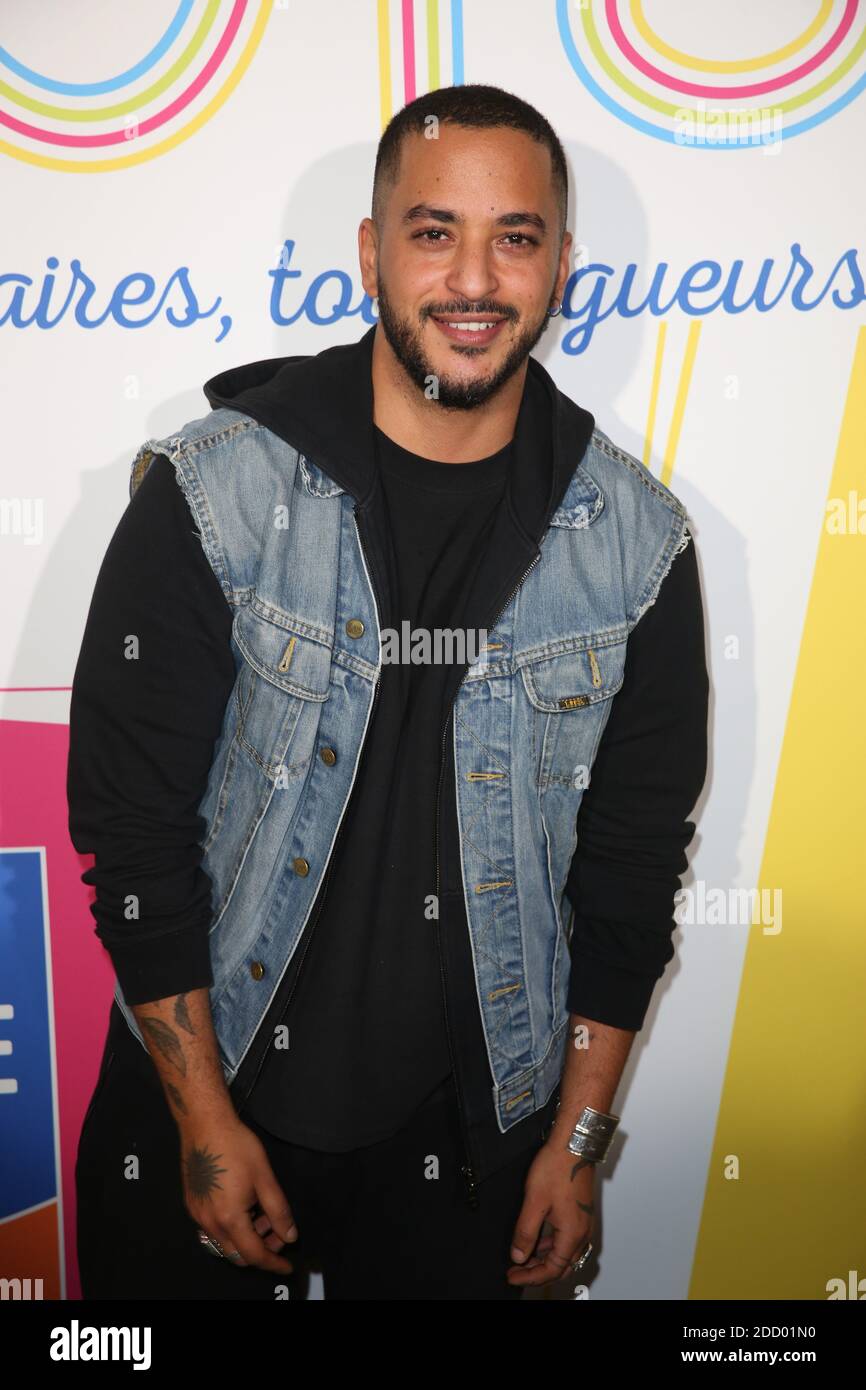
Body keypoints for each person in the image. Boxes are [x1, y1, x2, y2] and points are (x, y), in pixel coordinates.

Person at [68, 83, 709, 1301]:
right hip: (205, 1090)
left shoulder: (635, 547)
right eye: (432, 232)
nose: (473, 278)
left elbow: (629, 879)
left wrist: (575, 1146)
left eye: (512, 237)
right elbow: (133, 838)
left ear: (560, 264)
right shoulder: (213, 497)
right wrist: (203, 1123)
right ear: (371, 252)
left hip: (471, 1136)